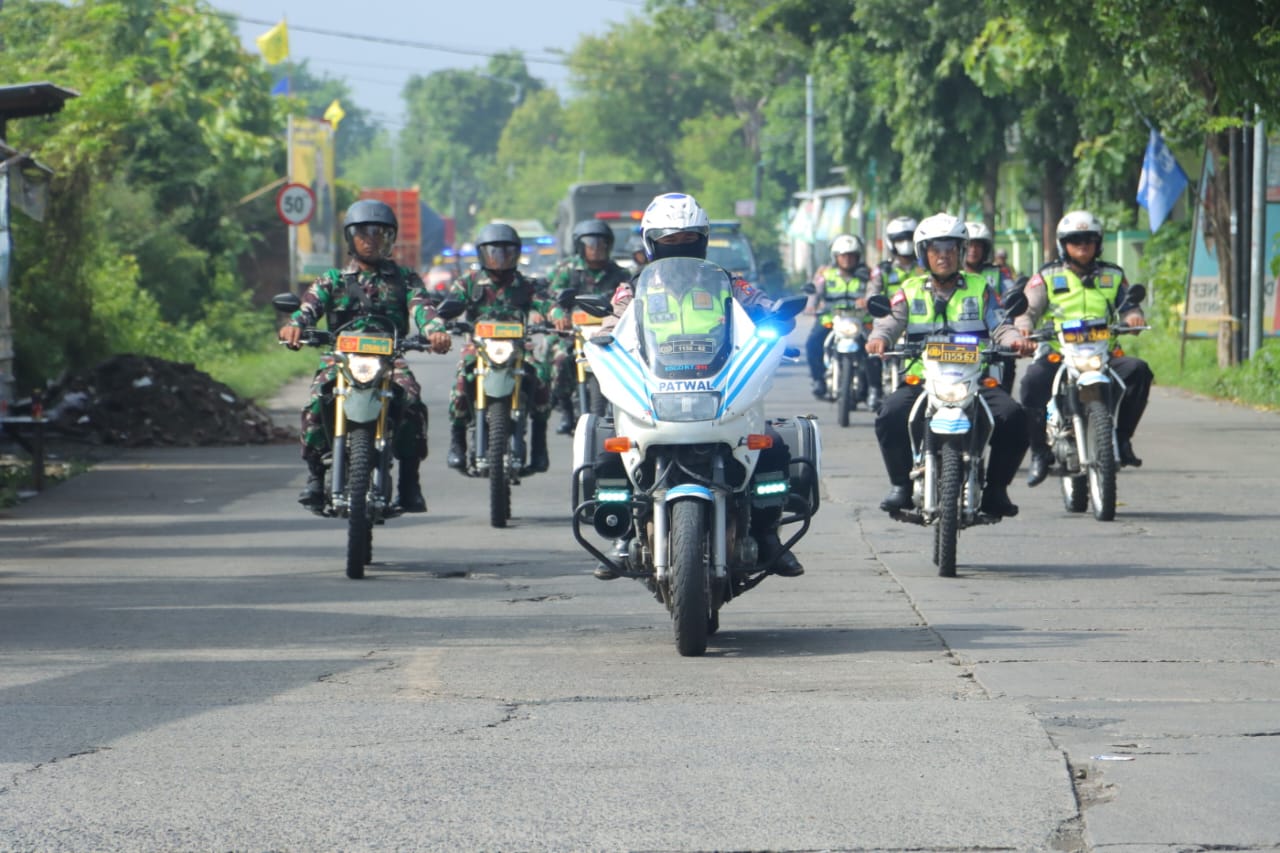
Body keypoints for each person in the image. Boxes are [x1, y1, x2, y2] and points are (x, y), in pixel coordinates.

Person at [599, 192, 805, 579]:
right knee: (611, 450)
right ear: (652, 244)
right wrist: (604, 337)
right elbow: (615, 323)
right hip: (656, 385)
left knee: (773, 448)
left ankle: (767, 535)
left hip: (718, 381)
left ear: (703, 240)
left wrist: (776, 319)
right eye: (670, 241)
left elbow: (760, 306)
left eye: (689, 239)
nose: (680, 248)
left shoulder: (728, 283)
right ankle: (624, 534)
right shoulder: (633, 290)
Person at [279, 199, 450, 513]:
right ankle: (316, 476)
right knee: (317, 398)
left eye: (379, 233)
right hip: (341, 359)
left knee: (412, 400)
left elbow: (423, 309)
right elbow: (308, 309)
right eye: (363, 233)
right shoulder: (332, 280)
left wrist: (435, 330)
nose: (371, 240)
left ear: (390, 239)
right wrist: (294, 326)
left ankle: (410, 482)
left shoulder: (405, 279)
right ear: (350, 238)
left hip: (389, 359)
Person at [865, 213, 1036, 517]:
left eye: (950, 249)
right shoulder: (910, 289)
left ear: (961, 251)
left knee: (1014, 417)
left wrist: (1015, 341)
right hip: (922, 378)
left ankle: (997, 490)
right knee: (889, 415)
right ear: (923, 254)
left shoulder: (980, 287)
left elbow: (1000, 324)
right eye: (935, 250)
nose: (943, 256)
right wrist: (879, 338)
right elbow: (890, 322)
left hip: (976, 377)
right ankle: (901, 486)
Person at [1018, 210, 1153, 486]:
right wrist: (1023, 328)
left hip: (1102, 354)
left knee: (1139, 371)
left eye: (1089, 239)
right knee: (1032, 383)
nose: (1083, 245)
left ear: (1098, 242)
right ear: (1063, 243)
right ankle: (1039, 453)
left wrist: (1133, 318)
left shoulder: (1113, 275)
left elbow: (1128, 306)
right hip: (1059, 352)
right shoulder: (1047, 276)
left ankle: (1123, 438)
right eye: (1075, 239)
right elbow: (1027, 310)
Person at [416, 223, 554, 474]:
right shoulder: (468, 283)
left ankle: (539, 445)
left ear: (516, 255)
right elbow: (450, 306)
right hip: (478, 349)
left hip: (519, 348)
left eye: (506, 253)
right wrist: (438, 327)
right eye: (494, 253)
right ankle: (457, 441)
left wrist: (558, 315)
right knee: (461, 382)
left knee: (541, 377)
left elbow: (546, 304)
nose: (500, 259)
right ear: (482, 255)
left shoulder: (526, 284)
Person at [547, 219, 632, 434]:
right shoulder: (566, 270)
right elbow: (549, 296)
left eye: (601, 244)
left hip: (607, 332)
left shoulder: (619, 274)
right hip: (571, 332)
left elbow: (630, 300)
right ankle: (565, 410)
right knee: (557, 359)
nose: (596, 248)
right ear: (580, 246)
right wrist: (558, 313)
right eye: (591, 243)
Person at [806, 234, 879, 405]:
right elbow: (815, 292)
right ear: (836, 257)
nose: (847, 259)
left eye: (851, 255)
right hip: (832, 319)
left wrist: (867, 301)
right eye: (843, 255)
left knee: (874, 348)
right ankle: (819, 380)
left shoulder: (867, 276)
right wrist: (810, 305)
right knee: (812, 343)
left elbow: (874, 291)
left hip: (860, 320)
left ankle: (874, 388)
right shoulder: (826, 274)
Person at [964, 221, 1020, 393]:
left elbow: (1012, 296)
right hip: (961, 339)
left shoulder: (998, 273)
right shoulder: (951, 276)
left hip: (994, 337)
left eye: (978, 246)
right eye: (969, 245)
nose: (973, 250)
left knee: (1008, 361)